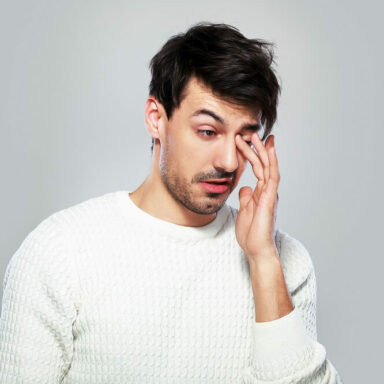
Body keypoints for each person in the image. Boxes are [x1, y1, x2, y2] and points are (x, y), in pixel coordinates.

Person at [0, 22, 343, 383]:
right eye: (208, 132)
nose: (228, 161)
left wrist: (263, 260)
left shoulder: (284, 262)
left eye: (245, 137)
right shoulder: (60, 250)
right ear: (156, 119)